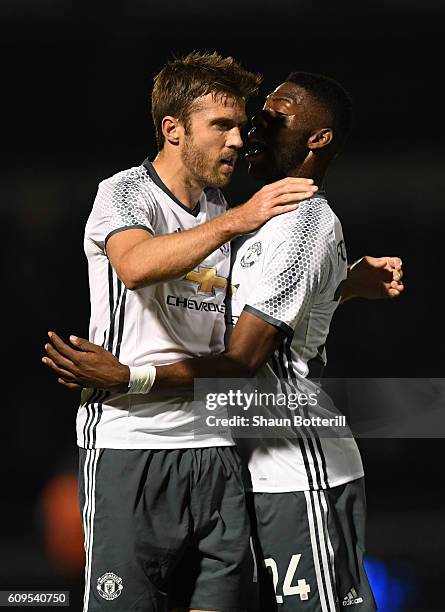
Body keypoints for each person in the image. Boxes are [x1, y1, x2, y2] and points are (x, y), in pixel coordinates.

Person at [43, 71, 404, 611]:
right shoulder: (134, 194)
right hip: (133, 445)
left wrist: (336, 281)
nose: (241, 138)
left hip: (223, 455)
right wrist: (335, 278)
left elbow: (248, 345)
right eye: (223, 126)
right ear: (173, 129)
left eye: (246, 124)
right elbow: (137, 266)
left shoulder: (243, 212)